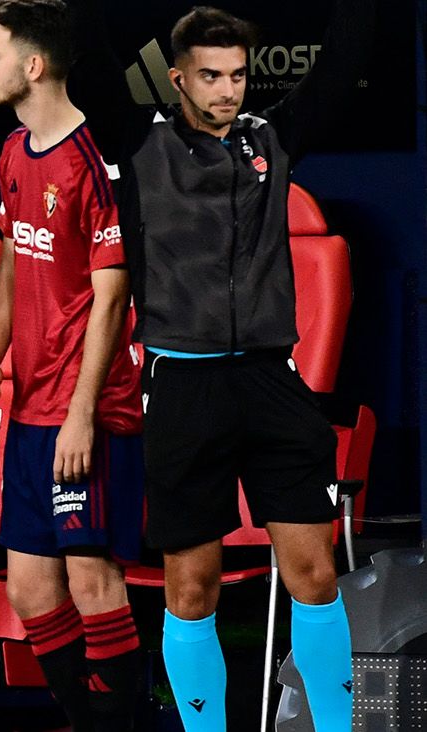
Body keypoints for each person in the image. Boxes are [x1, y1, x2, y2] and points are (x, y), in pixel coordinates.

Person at [67, 1, 375, 729]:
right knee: (191, 587)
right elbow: (85, 50)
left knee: (315, 575)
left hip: (274, 383)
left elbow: (345, 59)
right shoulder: (139, 142)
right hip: (184, 387)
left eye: (237, 75)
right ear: (177, 78)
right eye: (210, 76)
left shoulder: (273, 136)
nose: (227, 89)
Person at [0, 2, 144, 729]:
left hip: (92, 409)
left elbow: (111, 300)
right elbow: (13, 257)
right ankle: (87, 719)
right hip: (34, 405)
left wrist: (81, 413)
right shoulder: (14, 151)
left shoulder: (93, 162)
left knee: (91, 577)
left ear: (33, 66)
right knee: (30, 588)